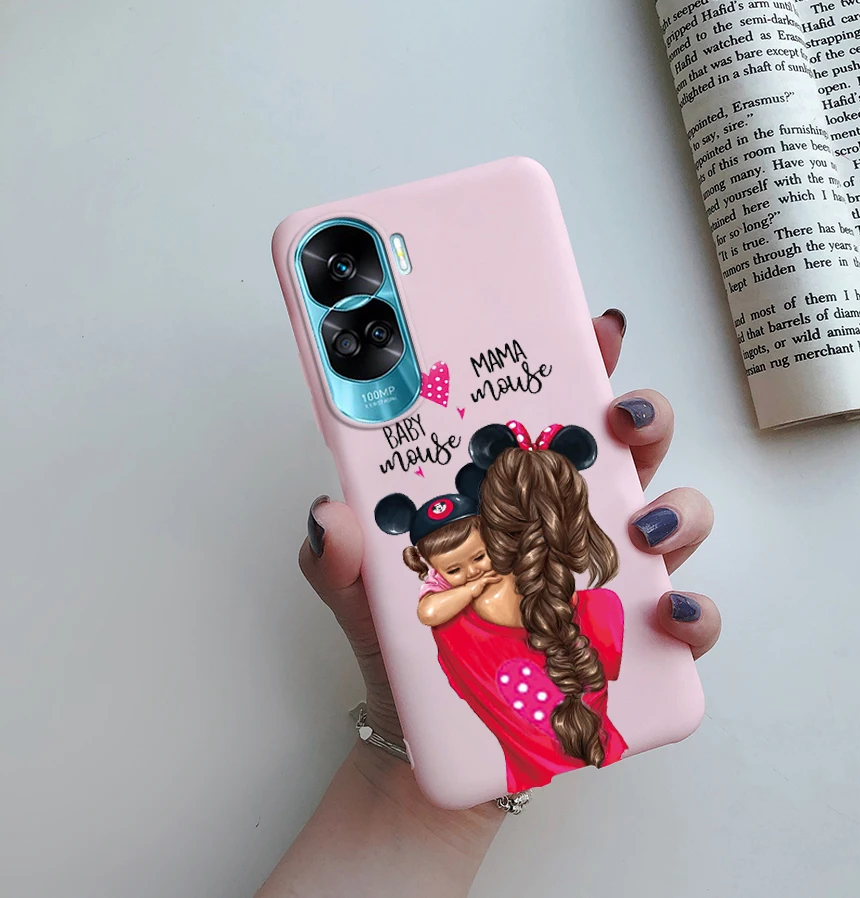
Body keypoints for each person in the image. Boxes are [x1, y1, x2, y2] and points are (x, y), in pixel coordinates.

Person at [255, 310, 720, 898]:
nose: (471, 570)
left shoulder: (596, 612)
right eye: (455, 566)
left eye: (479, 556)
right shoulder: (456, 628)